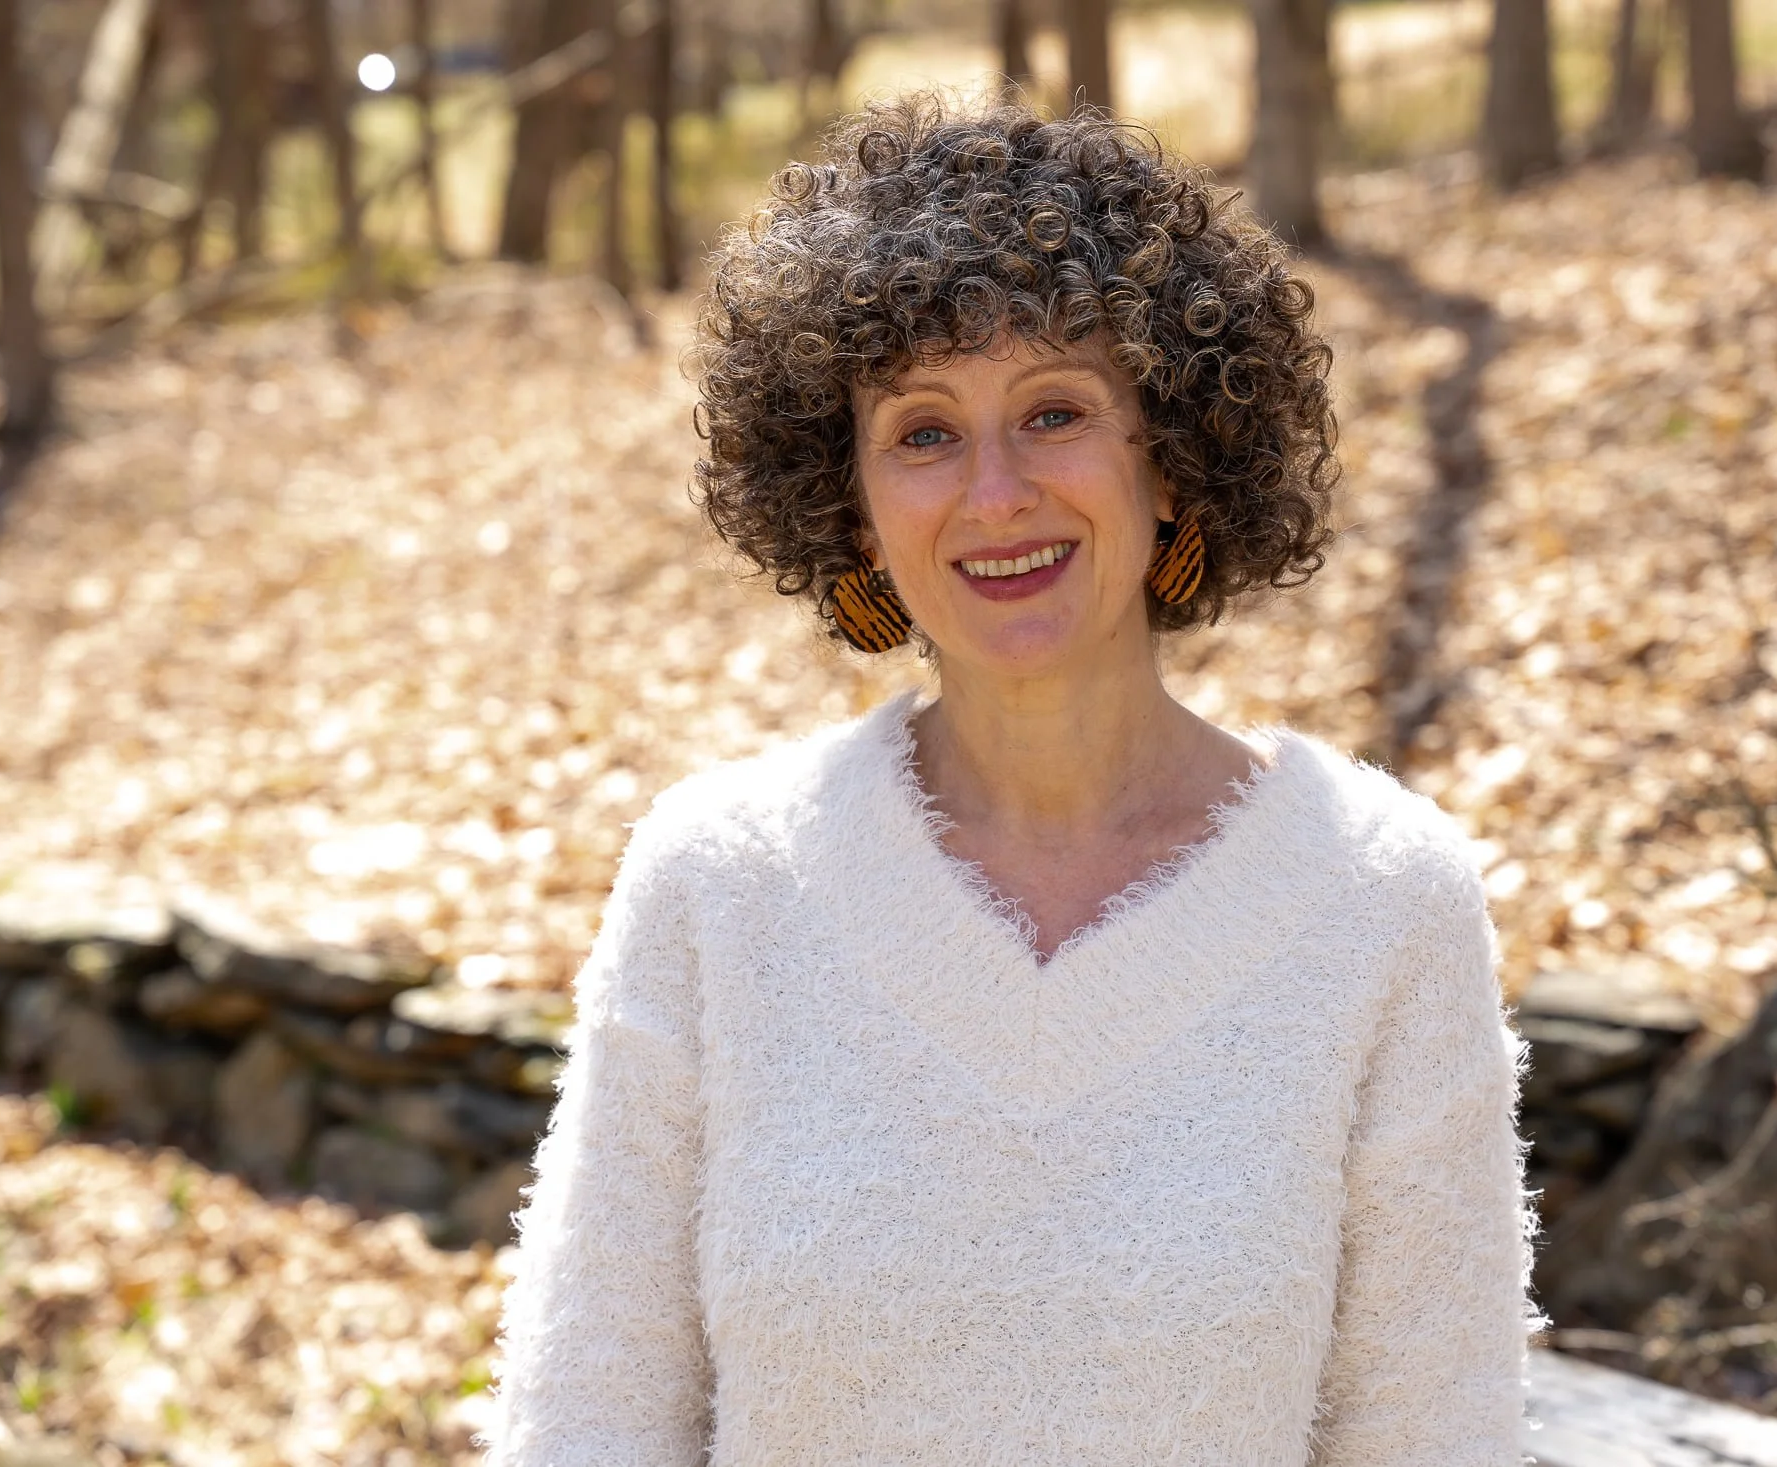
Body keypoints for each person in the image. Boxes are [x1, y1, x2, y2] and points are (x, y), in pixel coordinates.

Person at [477, 93, 1546, 1466]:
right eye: (923, 431)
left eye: (1055, 411)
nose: (995, 493)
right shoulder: (718, 884)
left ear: (1172, 455)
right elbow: (585, 1429)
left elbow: (1434, 1439)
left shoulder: (1380, 898)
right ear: (850, 502)